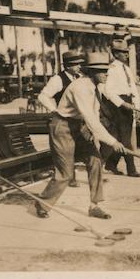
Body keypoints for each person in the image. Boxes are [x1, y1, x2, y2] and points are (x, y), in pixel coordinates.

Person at [35, 52, 126, 219]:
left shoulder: (96, 86)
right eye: (102, 71)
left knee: (96, 160)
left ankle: (95, 206)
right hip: (62, 126)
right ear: (92, 72)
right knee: (66, 173)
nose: (106, 74)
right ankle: (43, 203)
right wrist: (113, 141)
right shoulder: (80, 87)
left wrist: (92, 132)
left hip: (79, 125)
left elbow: (94, 113)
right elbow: (90, 117)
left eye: (107, 71)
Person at [37, 51, 85, 187]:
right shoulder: (58, 79)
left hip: (78, 119)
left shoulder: (79, 78)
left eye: (80, 64)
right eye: (76, 64)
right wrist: (54, 110)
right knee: (66, 151)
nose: (79, 67)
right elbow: (42, 96)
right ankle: (70, 178)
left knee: (75, 150)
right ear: (68, 66)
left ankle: (71, 176)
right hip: (64, 119)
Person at [102, 39, 140, 177]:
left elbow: (133, 89)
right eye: (123, 52)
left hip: (129, 102)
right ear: (116, 54)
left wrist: (137, 107)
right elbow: (107, 91)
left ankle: (111, 163)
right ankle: (131, 169)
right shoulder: (111, 69)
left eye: (126, 52)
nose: (126, 55)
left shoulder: (127, 69)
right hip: (118, 105)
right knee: (125, 139)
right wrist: (122, 104)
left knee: (122, 136)